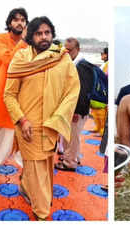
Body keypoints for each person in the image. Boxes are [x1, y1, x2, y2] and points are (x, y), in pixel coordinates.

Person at [4, 16, 80, 220]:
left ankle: (26, 188)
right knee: (38, 170)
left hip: (51, 124)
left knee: (44, 164)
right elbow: (9, 95)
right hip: (27, 125)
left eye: (47, 32)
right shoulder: (21, 59)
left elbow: (73, 91)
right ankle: (42, 213)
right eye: (38, 33)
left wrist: (58, 119)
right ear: (31, 36)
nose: (44, 37)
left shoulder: (62, 58)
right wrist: (22, 119)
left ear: (52, 34)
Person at [0, 8, 29, 171]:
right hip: (2, 92)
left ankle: (26, 168)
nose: (19, 23)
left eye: (23, 20)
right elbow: (9, 59)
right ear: (9, 23)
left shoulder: (30, 43)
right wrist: (23, 42)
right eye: (16, 19)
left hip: (23, 93)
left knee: (23, 129)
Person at [54, 37, 94, 171]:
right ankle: (73, 158)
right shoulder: (73, 63)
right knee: (71, 136)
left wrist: (77, 111)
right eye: (65, 49)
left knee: (71, 137)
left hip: (77, 110)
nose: (67, 52)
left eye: (70, 50)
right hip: (71, 108)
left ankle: (69, 162)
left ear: (78, 49)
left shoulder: (82, 67)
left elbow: (83, 91)